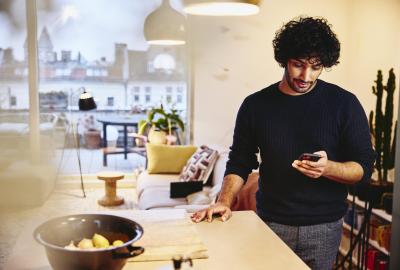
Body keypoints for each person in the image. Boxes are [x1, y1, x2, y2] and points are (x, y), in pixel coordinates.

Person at [191, 16, 376, 270]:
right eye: (298, 65)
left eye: (315, 66)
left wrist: (328, 168)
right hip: (270, 222)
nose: (306, 75)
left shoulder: (345, 104)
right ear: (284, 59)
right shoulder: (255, 106)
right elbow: (240, 161)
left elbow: (364, 168)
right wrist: (223, 200)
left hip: (324, 227)